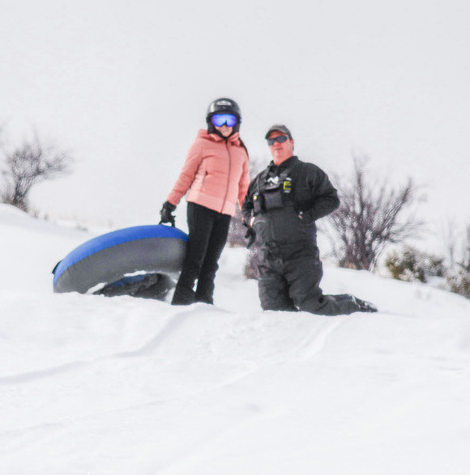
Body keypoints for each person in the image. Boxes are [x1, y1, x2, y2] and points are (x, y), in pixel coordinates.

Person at [241, 124, 376, 315]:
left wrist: (307, 216)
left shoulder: (306, 172)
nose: (276, 144)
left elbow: (331, 199)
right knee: (274, 311)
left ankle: (354, 305)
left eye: (280, 139)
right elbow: (246, 205)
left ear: (291, 142)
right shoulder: (260, 179)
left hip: (299, 254)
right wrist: (252, 221)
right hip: (267, 257)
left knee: (311, 305)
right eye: (271, 141)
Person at [159, 97, 251, 305]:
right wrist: (170, 203)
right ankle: (181, 302)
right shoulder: (202, 144)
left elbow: (243, 188)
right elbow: (186, 176)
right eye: (220, 121)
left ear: (237, 122)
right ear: (211, 122)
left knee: (211, 262)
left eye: (229, 120)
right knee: (195, 258)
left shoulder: (241, 152)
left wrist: (248, 217)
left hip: (225, 211)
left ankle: (204, 304)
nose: (225, 126)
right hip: (200, 206)